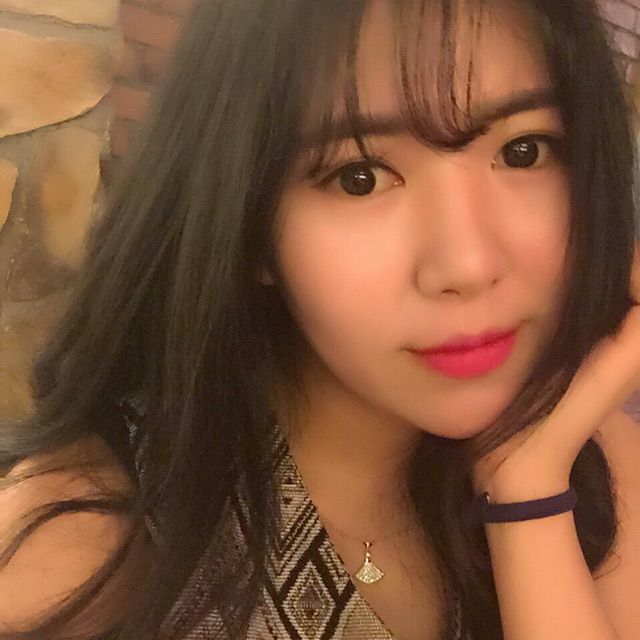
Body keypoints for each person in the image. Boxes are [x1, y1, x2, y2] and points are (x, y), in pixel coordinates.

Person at [1, 0, 639, 638]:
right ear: (248, 224)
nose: (468, 265)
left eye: (523, 152)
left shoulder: (581, 448)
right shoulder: (82, 544)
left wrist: (528, 493)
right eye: (359, 178)